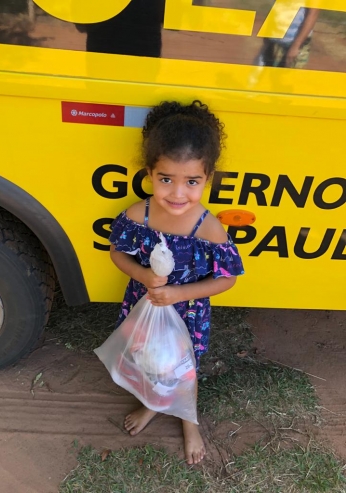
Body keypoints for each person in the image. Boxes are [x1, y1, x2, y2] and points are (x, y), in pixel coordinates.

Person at [108, 100, 244, 465]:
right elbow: (117, 253)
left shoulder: (207, 227)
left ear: (207, 179)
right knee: (149, 360)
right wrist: (142, 276)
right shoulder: (140, 215)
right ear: (149, 173)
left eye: (192, 182)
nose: (177, 193)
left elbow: (226, 279)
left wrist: (179, 293)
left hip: (186, 313)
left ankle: (188, 421)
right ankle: (152, 404)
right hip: (146, 307)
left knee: (182, 369)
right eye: (165, 179)